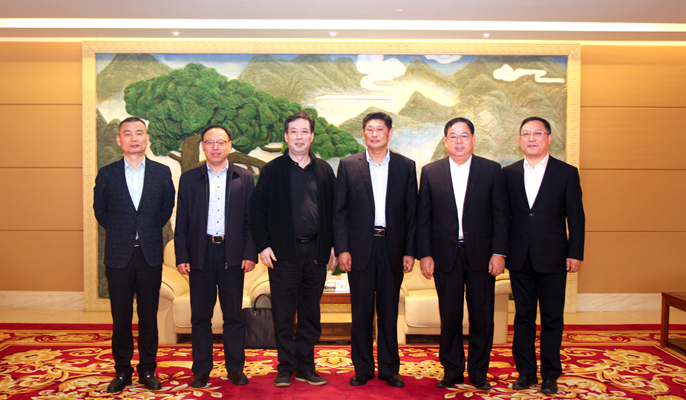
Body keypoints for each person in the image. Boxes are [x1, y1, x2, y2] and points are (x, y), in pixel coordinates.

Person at [416, 117, 509, 391]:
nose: (459, 141)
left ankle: (479, 372)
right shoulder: (430, 172)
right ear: (446, 141)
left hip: (482, 256)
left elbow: (501, 215)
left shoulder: (491, 170)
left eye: (464, 135)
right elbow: (424, 218)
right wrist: (425, 254)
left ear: (473, 140)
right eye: (453, 136)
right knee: (450, 317)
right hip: (445, 256)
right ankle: (453, 370)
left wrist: (499, 252)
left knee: (482, 318)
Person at [250, 110, 337, 387]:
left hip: (316, 253)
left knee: (311, 314)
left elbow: (334, 212)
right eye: (294, 132)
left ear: (312, 136)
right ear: (286, 137)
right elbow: (257, 211)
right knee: (284, 314)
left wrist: (333, 245)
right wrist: (263, 245)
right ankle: (286, 367)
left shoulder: (324, 170)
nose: (299, 137)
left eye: (305, 131)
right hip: (283, 254)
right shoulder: (272, 170)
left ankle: (306, 367)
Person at [333, 112, 417, 388]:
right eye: (369, 129)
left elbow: (411, 214)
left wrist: (409, 251)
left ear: (390, 133)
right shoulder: (348, 165)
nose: (374, 134)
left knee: (389, 312)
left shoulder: (406, 166)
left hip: (393, 248)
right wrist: (342, 249)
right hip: (359, 249)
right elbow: (340, 211)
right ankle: (363, 368)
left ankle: (390, 369)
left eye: (380, 129)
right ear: (364, 133)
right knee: (361, 313)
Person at [93, 117, 175, 393]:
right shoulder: (107, 173)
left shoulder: (161, 173)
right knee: (121, 317)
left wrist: (145, 231)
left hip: (149, 255)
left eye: (139, 133)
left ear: (147, 139)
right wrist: (124, 232)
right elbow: (101, 211)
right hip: (118, 255)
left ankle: (148, 369)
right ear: (119, 140)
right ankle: (122, 371)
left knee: (148, 317)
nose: (134, 138)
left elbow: (165, 210)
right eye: (127, 134)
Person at [503, 117, 585, 395]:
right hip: (519, 257)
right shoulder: (508, 174)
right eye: (526, 133)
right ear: (520, 140)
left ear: (549, 138)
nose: (531, 138)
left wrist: (575, 252)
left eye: (537, 133)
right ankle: (525, 372)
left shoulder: (566, 173)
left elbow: (576, 217)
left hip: (554, 257)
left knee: (552, 318)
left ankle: (550, 374)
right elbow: (502, 217)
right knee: (523, 317)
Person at [174, 125, 257, 388]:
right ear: (203, 146)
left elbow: (251, 221)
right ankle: (201, 370)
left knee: (233, 316)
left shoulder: (244, 177)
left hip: (233, 254)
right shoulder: (189, 179)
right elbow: (182, 220)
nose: (215, 147)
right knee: (200, 317)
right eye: (210, 142)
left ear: (230, 145)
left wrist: (249, 252)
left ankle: (235, 368)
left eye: (221, 142)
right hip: (200, 253)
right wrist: (182, 255)